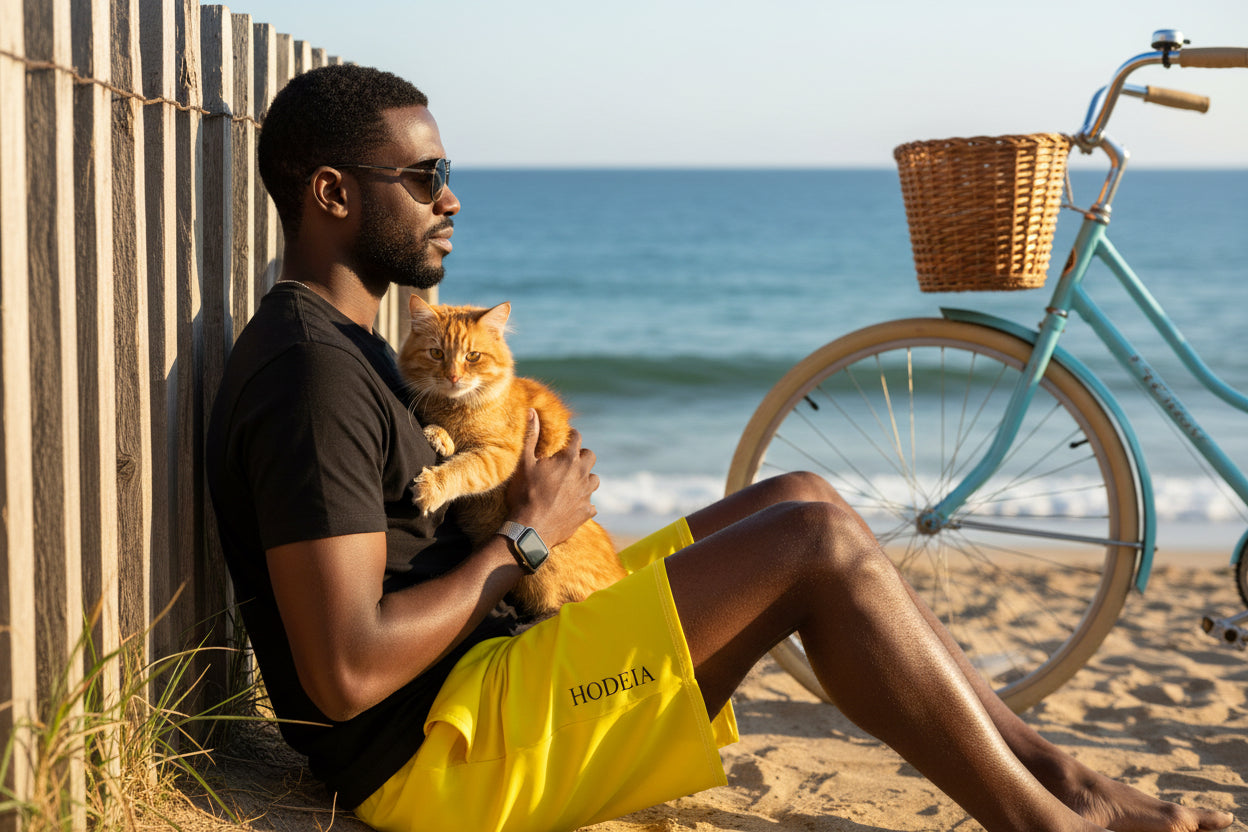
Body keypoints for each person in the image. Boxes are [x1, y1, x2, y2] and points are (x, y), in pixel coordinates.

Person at [205, 63, 1234, 832]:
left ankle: (1068, 781)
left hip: (490, 677)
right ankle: (1045, 823)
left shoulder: (351, 346)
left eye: (448, 173)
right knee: (812, 552)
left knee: (808, 499)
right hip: (437, 758)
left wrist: (521, 521)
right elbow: (343, 673)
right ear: (333, 194)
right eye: (424, 176)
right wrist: (523, 538)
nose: (452, 197)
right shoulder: (310, 374)